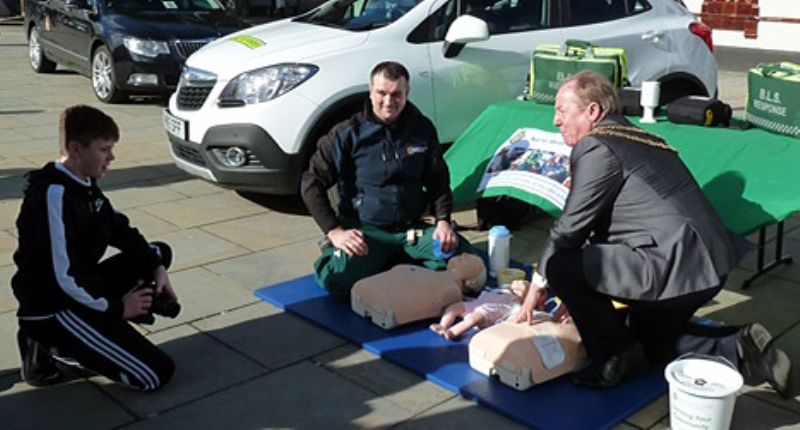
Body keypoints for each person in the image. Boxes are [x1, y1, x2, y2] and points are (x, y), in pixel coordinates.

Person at [516, 71, 793, 397]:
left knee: (561, 264)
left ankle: (613, 357)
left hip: (672, 265)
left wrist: (542, 283)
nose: (555, 121)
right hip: (705, 266)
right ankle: (740, 348)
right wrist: (581, 300)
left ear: (592, 112)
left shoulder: (597, 146)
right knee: (648, 339)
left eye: (562, 111)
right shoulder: (634, 135)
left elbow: (569, 229)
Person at [11, 105, 178, 391]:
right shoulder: (52, 196)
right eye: (104, 149)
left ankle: (101, 328)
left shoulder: (84, 182)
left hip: (81, 286)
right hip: (54, 307)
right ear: (76, 149)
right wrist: (117, 310)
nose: (111, 157)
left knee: (157, 252)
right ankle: (46, 341)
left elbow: (119, 229)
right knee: (155, 375)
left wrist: (157, 268)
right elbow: (61, 279)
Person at [301, 61, 475, 300]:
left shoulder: (421, 128)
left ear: (407, 94)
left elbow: (438, 179)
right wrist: (335, 232)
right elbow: (311, 183)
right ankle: (383, 261)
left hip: (411, 230)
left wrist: (444, 222)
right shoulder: (346, 133)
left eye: (396, 94)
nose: (388, 102)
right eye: (382, 93)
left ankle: (396, 261)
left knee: (468, 265)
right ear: (371, 92)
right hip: (367, 233)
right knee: (335, 279)